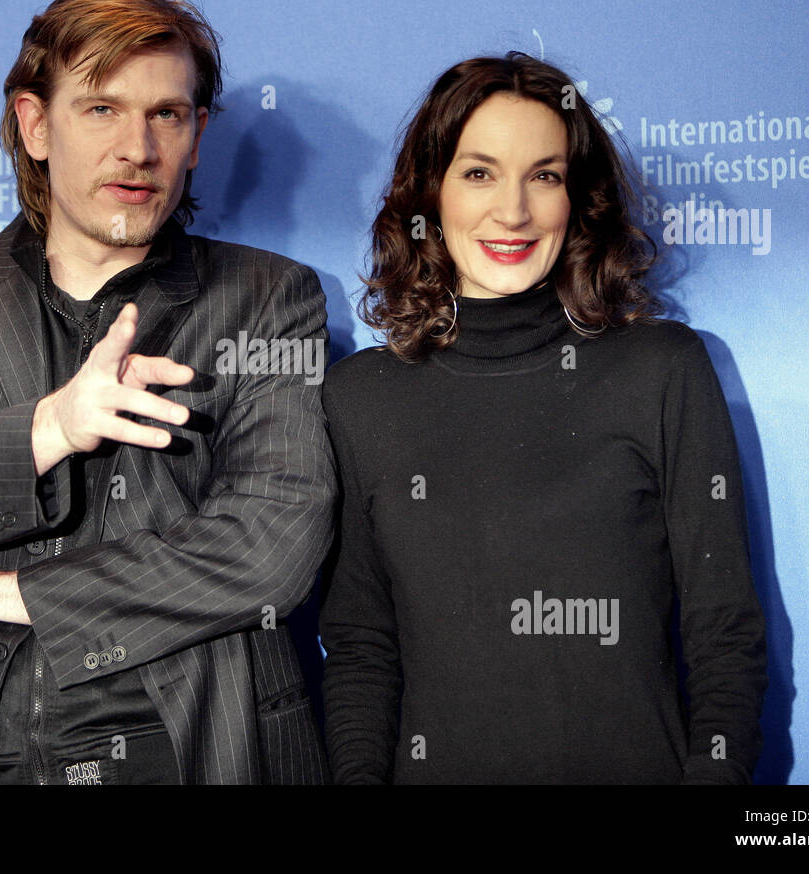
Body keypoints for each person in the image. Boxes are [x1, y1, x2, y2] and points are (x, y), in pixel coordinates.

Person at [0, 0, 335, 785]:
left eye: (167, 113)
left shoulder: (270, 298)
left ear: (197, 134)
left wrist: (3, 592)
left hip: (185, 739)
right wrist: (49, 429)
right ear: (34, 124)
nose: (138, 147)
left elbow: (271, 550)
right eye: (102, 108)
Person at [319, 53, 767, 784]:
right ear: (429, 194)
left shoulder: (661, 368)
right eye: (479, 173)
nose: (514, 211)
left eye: (545, 175)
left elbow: (724, 636)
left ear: (577, 198)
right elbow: (363, 650)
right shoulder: (362, 398)